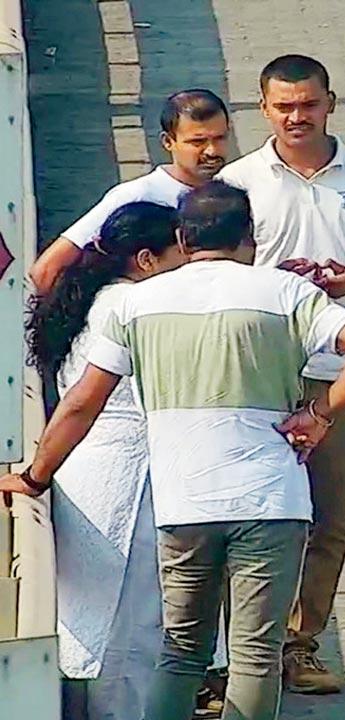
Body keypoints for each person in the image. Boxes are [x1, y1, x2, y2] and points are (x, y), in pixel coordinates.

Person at [0, 181, 345, 720]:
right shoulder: (284, 292)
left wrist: (35, 477)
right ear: (250, 238)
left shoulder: (137, 302)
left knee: (181, 652)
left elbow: (80, 405)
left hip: (182, 502)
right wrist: (319, 415)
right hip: (269, 499)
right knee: (256, 658)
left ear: (185, 238)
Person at [217, 53, 345, 694]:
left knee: (329, 514)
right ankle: (248, 651)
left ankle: (301, 644)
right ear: (263, 108)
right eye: (284, 106)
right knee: (250, 512)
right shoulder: (241, 180)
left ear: (332, 102)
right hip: (260, 372)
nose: (298, 116)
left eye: (309, 104)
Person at [23, 202, 184, 719]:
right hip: (129, 480)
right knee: (133, 624)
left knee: (100, 622)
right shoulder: (131, 307)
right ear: (146, 259)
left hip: (89, 472)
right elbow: (82, 402)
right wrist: (31, 476)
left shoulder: (97, 298)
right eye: (180, 248)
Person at [28, 89, 230, 294]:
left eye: (220, 138)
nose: (212, 151)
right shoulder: (135, 196)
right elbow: (46, 270)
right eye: (198, 142)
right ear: (168, 142)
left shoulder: (238, 189)